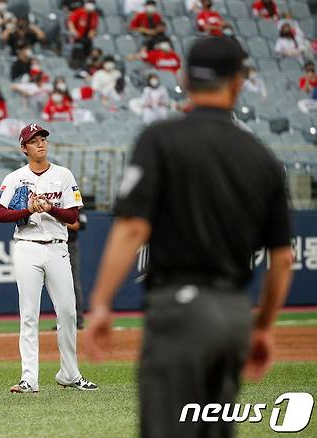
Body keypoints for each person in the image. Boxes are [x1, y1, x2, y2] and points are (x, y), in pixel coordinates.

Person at [84, 36, 293, 438]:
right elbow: (281, 258)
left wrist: (102, 302)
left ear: (183, 78)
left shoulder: (160, 138)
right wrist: (263, 327)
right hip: (233, 314)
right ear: (238, 83)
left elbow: (132, 227)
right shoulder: (261, 156)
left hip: (179, 311)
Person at [0, 123, 97, 394]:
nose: (41, 143)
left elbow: (73, 216)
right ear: (24, 147)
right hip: (27, 246)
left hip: (57, 247)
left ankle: (70, 374)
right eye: (34, 140)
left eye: (43, 139)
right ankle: (30, 378)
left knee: (68, 312)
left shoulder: (63, 175)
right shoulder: (15, 177)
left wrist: (50, 208)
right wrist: (26, 209)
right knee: (29, 315)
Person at [67, 213, 87, 329]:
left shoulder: (77, 203)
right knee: (59, 285)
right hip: (55, 244)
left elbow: (81, 225)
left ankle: (79, 320)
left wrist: (60, 218)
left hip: (70, 245)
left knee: (74, 283)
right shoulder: (53, 199)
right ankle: (64, 320)